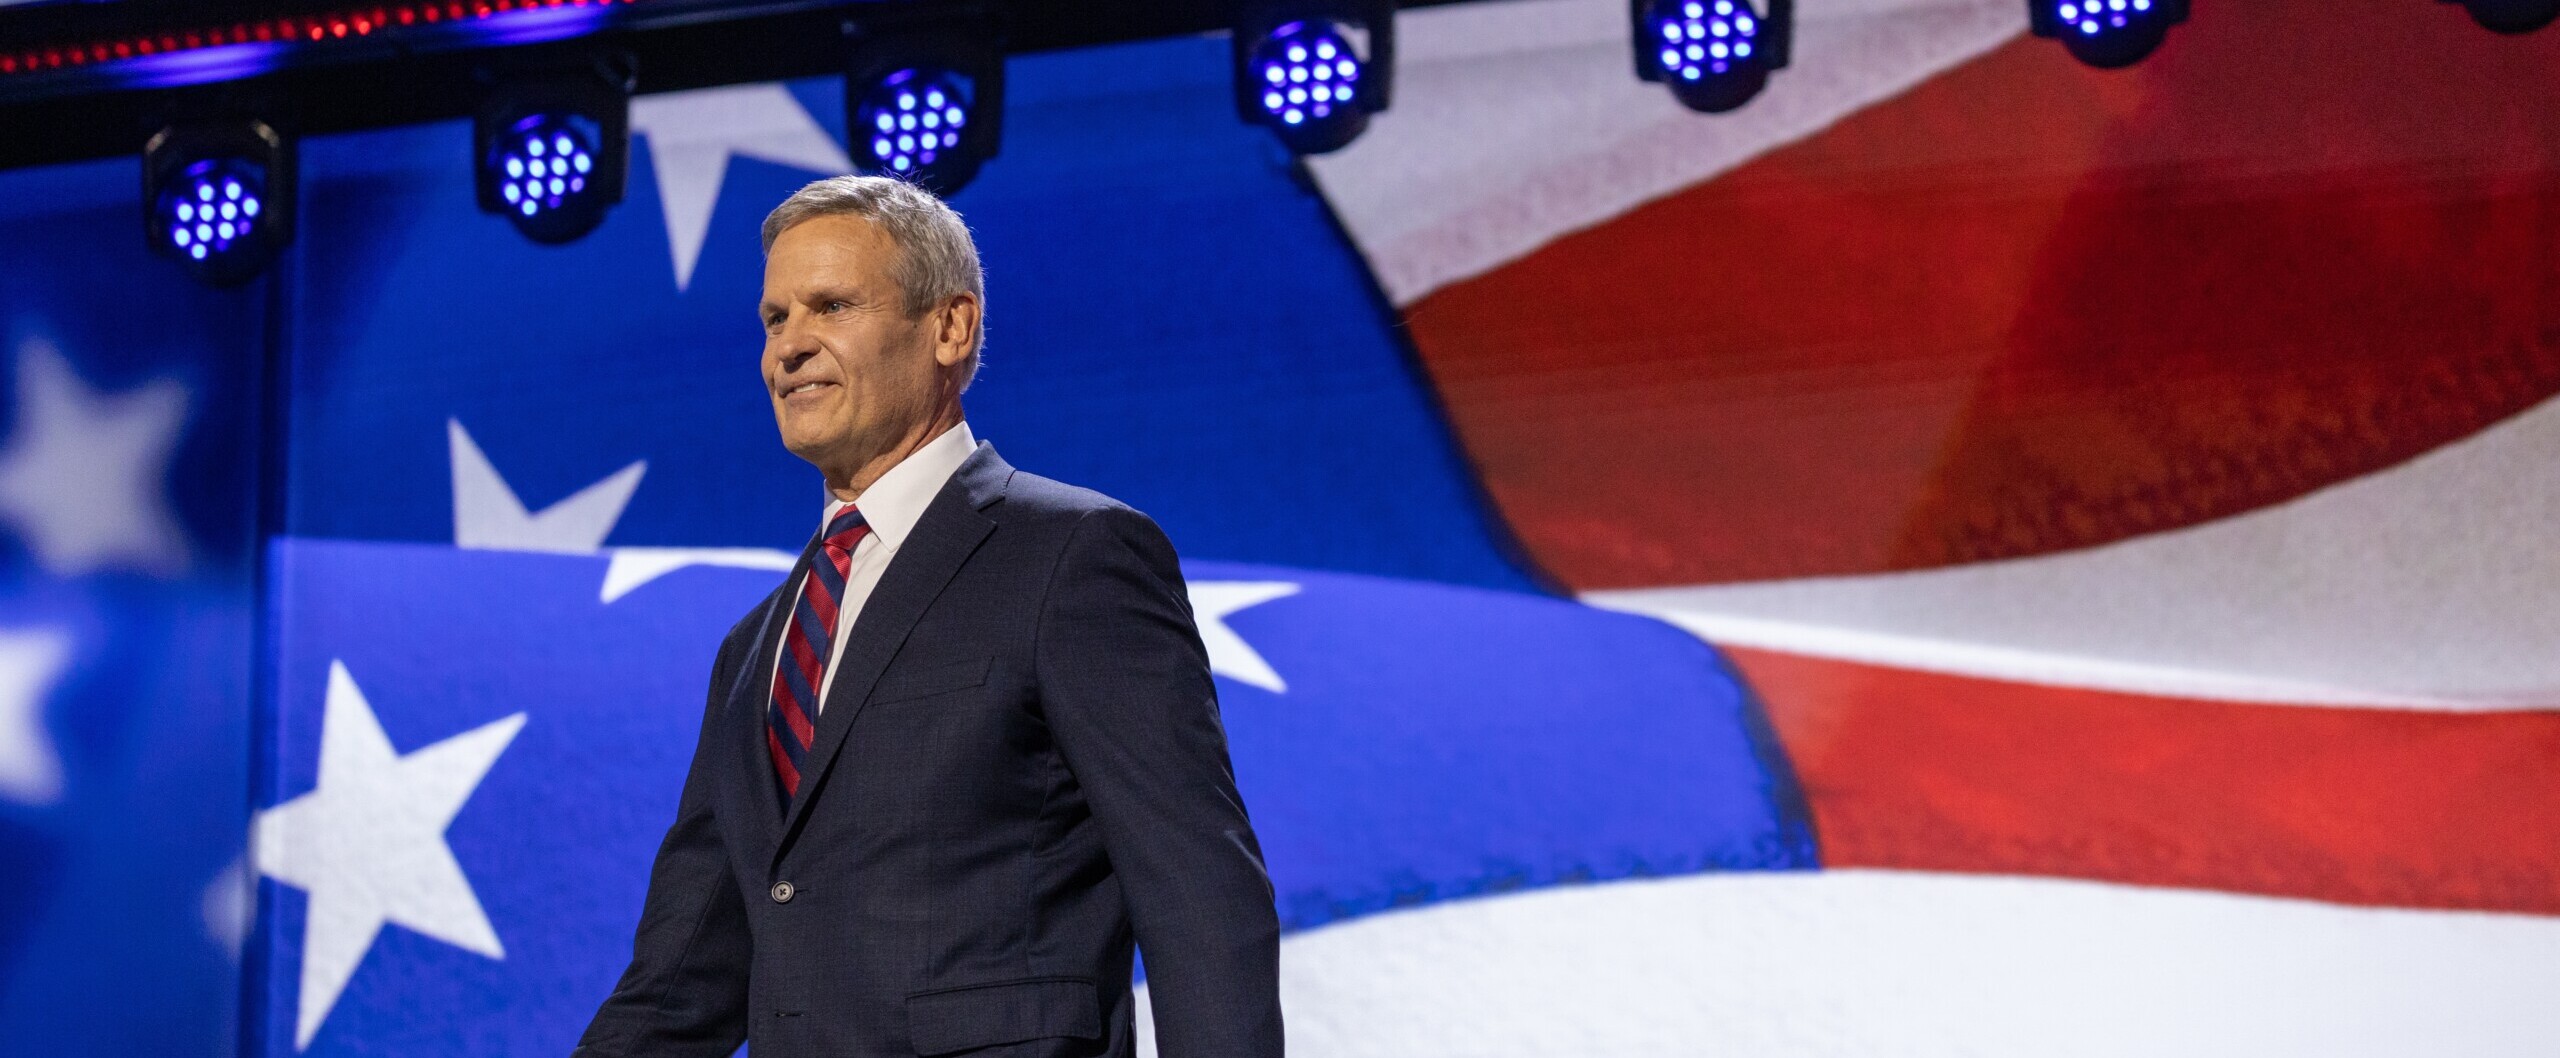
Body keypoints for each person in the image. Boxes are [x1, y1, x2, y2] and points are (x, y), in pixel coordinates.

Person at [572, 175, 1283, 1058]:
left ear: (951, 327)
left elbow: (1200, 895)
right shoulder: (756, 648)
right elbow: (682, 980)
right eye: (774, 319)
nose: (789, 346)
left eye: (832, 306)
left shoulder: (1073, 558)